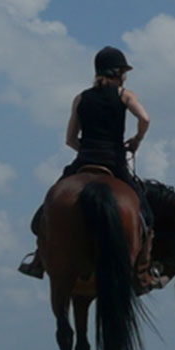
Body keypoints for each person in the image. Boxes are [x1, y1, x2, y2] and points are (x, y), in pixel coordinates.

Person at [17, 46, 152, 278]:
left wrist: (87, 150)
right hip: (115, 162)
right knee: (146, 216)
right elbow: (145, 118)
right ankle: (143, 271)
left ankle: (38, 260)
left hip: (84, 160)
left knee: (42, 216)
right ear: (119, 72)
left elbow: (70, 139)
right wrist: (137, 140)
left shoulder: (81, 98)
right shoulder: (125, 95)